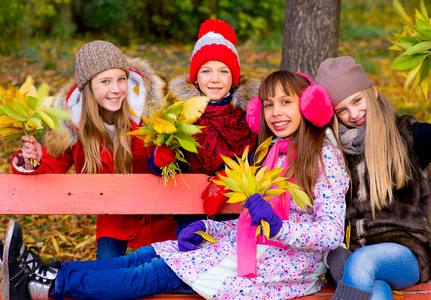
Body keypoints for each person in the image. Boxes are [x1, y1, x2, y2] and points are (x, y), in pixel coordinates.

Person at [3, 70, 349, 300]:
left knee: (156, 272)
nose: (275, 113)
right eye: (269, 105)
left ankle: (49, 286)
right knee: (149, 253)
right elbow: (253, 226)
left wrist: (278, 225)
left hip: (287, 269)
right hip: (257, 254)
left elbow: (331, 233)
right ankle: (42, 273)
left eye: (286, 103)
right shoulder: (274, 151)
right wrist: (210, 227)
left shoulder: (323, 156)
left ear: (309, 107)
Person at [10, 40, 178, 260]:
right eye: (105, 81)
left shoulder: (152, 116)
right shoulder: (71, 125)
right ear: (88, 87)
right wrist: (34, 160)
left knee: (153, 273)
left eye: (121, 79)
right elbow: (50, 169)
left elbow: (174, 163)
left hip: (160, 213)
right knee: (107, 272)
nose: (116, 89)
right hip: (114, 217)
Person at [314, 30, 431, 300]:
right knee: (375, 292)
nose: (353, 114)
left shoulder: (408, 137)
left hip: (406, 252)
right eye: (342, 110)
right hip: (350, 260)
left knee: (364, 262)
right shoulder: (331, 152)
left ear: (372, 93)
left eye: (357, 100)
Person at [148, 19, 259, 224]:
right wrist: (161, 159)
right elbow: (166, 169)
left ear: (233, 78)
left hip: (235, 213)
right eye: (206, 71)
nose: (215, 79)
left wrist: (226, 178)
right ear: (196, 78)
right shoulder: (181, 113)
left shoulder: (246, 114)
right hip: (190, 211)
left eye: (223, 71)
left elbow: (257, 155)